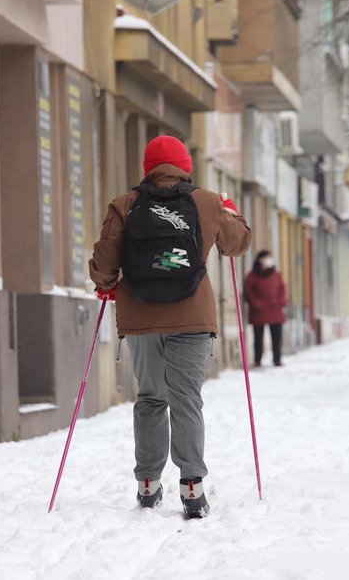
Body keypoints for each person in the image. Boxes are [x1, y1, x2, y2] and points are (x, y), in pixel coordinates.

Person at [89, 135, 251, 518]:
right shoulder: (207, 201)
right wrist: (230, 210)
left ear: (147, 166)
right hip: (192, 316)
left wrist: (106, 285)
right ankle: (192, 485)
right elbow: (238, 243)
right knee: (186, 399)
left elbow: (104, 263)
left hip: (141, 318)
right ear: (185, 166)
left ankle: (148, 483)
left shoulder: (125, 205)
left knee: (150, 397)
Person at [243, 250, 287, 367]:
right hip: (259, 311)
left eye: (270, 258)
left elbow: (282, 289)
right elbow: (248, 291)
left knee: (276, 338)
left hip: (275, 310)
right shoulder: (252, 276)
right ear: (260, 260)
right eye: (267, 258)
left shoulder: (276, 274)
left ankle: (277, 359)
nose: (269, 260)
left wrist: (282, 301)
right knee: (258, 338)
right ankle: (258, 359)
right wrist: (255, 303)